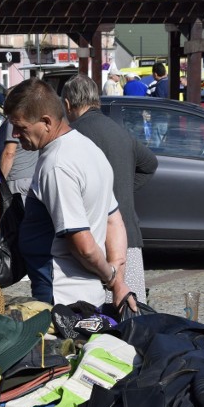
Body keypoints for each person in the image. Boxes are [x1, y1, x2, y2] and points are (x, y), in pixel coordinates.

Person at [3, 78, 135, 311]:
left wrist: (112, 278)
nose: (14, 134)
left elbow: (82, 244)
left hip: (62, 297)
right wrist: (117, 280)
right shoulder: (89, 148)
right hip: (82, 295)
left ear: (46, 122)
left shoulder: (57, 165)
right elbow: (114, 221)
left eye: (21, 127)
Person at [62, 74, 158, 304]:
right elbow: (149, 164)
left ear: (67, 104)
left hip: (95, 243)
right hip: (129, 238)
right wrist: (123, 189)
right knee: (131, 316)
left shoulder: (74, 135)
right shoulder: (119, 131)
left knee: (94, 323)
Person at [0, 121, 38, 204]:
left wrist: (0, 184)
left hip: (16, 179)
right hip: (32, 179)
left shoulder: (15, 120)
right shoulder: (36, 116)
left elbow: (9, 154)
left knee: (11, 214)